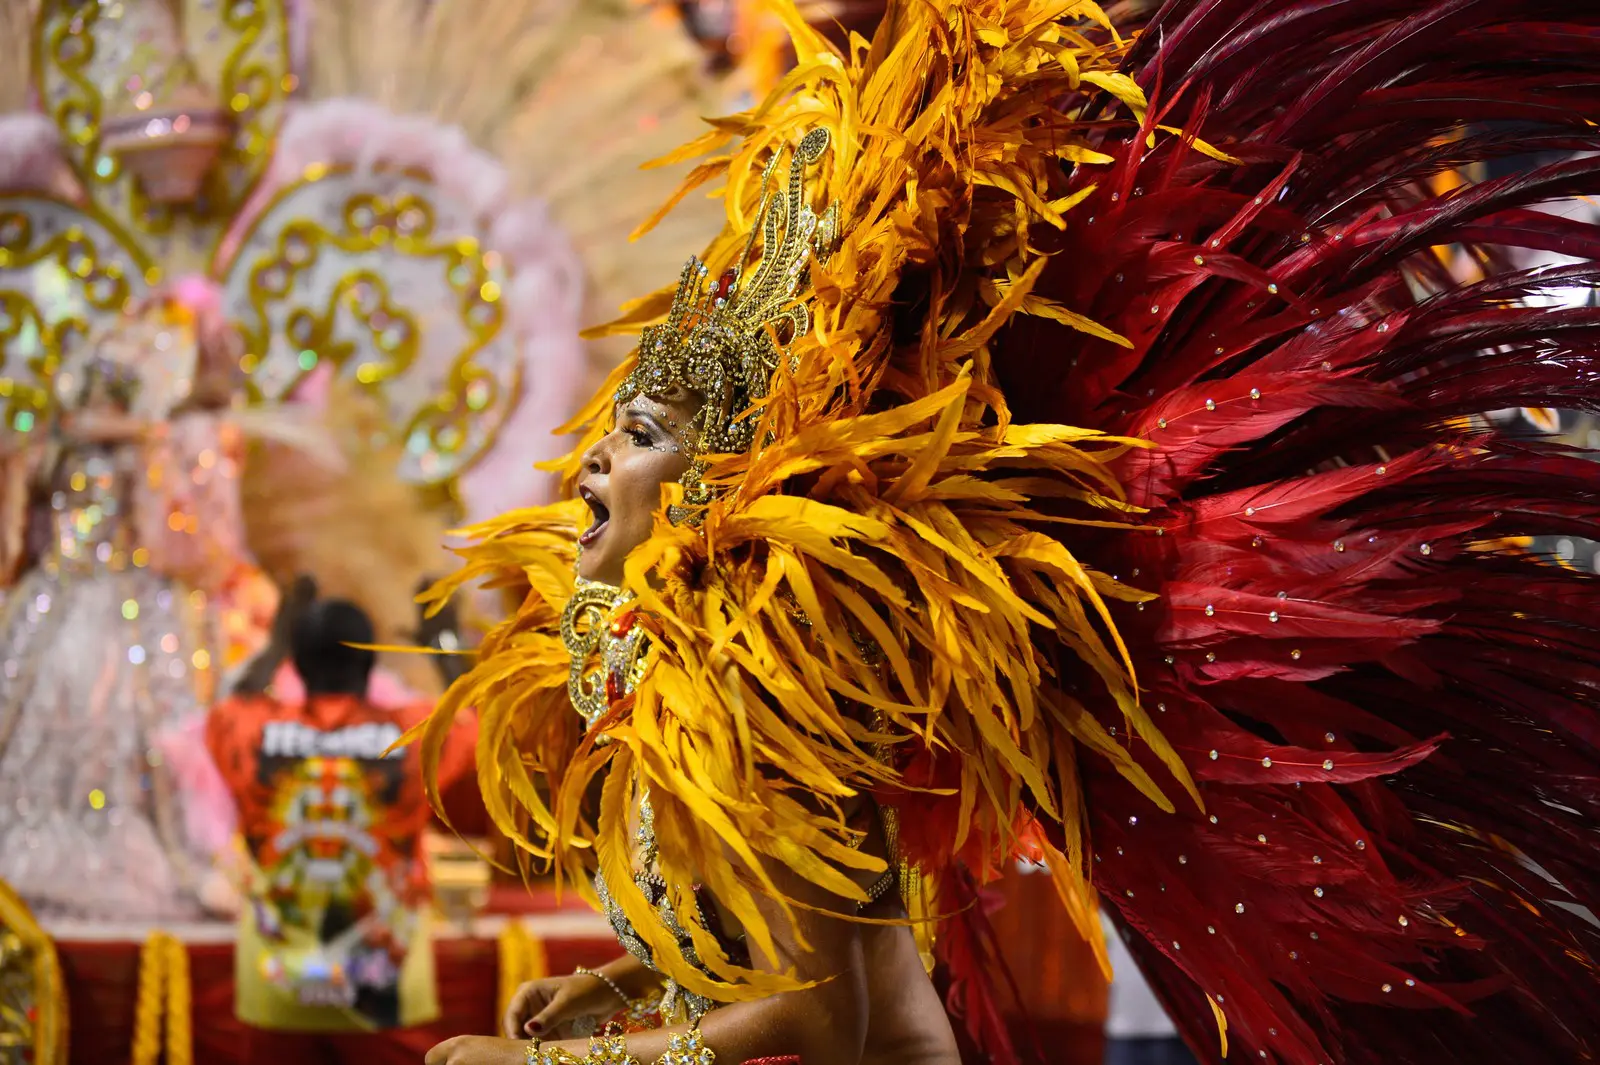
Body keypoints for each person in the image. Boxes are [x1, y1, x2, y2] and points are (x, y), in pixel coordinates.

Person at [422, 2, 1600, 1064]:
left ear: (705, 496)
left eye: (629, 438)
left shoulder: (756, 693)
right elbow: (769, 951)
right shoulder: (679, 692)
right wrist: (610, 987)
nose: (587, 461)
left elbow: (825, 1011)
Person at [0, 290, 258, 921]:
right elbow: (173, 543)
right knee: (147, 732)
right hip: (122, 605)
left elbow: (16, 542)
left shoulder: (47, 446)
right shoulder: (150, 446)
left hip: (55, 605)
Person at [205, 595, 476, 1065]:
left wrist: (273, 646)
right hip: (382, 991)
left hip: (276, 992)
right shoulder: (409, 734)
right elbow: (471, 716)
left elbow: (227, 706)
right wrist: (444, 644)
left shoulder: (252, 731)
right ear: (371, 661)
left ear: (295, 662)